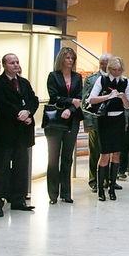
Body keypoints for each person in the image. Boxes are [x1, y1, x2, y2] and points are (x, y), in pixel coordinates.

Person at [0, 53, 39, 214]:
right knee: (1, 168)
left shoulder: (24, 83)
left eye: (17, 62)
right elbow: (2, 103)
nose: (16, 65)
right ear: (4, 65)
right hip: (5, 132)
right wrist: (19, 114)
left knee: (21, 168)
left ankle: (19, 199)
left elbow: (34, 100)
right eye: (12, 63)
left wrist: (28, 113)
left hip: (22, 133)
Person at [88, 57, 129, 201]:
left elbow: (128, 105)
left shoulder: (125, 82)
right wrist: (108, 96)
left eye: (119, 70)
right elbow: (91, 99)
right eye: (114, 70)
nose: (117, 72)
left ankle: (112, 187)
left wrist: (122, 97)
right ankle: (101, 188)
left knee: (117, 153)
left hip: (119, 119)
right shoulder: (102, 80)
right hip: (105, 119)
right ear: (109, 69)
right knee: (104, 153)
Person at [44, 47, 82, 204]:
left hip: (72, 119)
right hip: (55, 120)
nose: (70, 61)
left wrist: (71, 108)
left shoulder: (78, 77)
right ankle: (53, 194)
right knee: (53, 158)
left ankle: (66, 192)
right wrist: (69, 103)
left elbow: (79, 98)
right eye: (67, 58)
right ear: (61, 59)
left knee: (67, 158)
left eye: (72, 58)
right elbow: (53, 96)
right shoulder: (53, 76)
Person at [82, 54, 110, 193]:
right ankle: (94, 180)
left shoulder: (117, 79)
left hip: (112, 120)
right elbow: (85, 101)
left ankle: (108, 179)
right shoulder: (91, 79)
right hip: (96, 119)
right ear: (103, 64)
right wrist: (88, 121)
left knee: (110, 150)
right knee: (95, 151)